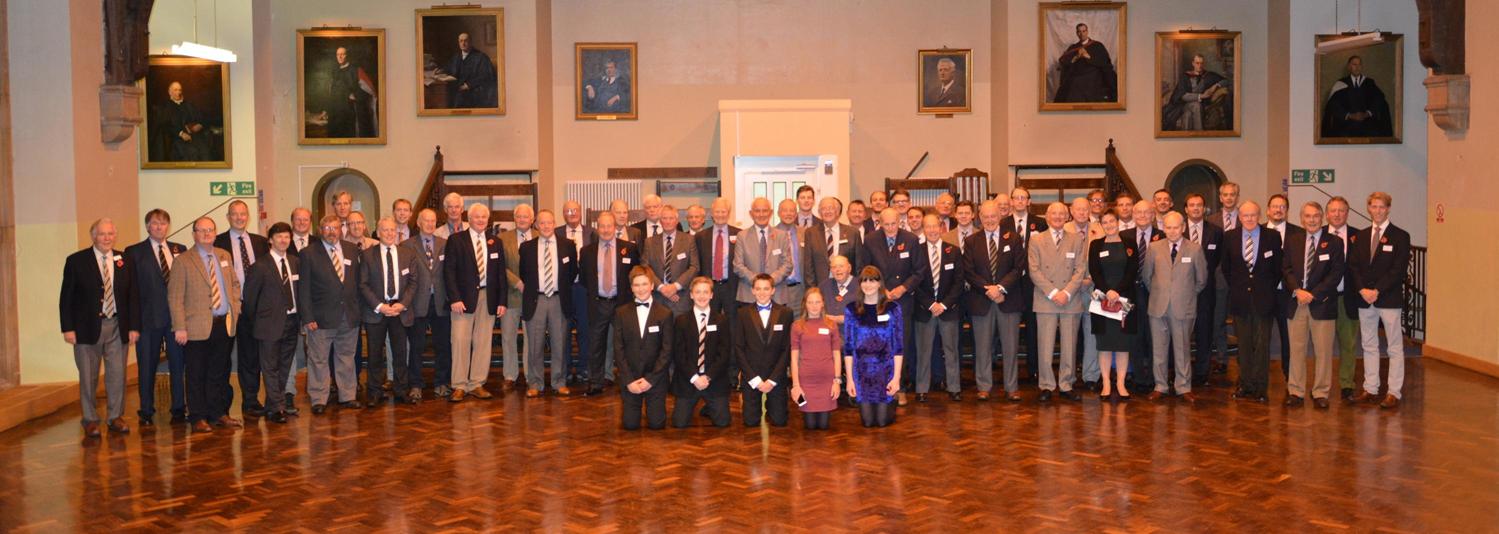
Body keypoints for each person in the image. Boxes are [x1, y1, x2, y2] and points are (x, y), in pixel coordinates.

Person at [60, 218, 137, 437]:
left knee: (117, 374)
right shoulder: (76, 261)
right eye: (102, 234)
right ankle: (90, 419)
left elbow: (133, 296)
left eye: (110, 234)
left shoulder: (125, 260)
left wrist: (133, 327)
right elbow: (66, 299)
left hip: (117, 326)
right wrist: (68, 328)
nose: (107, 238)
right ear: (93, 236)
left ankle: (115, 417)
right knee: (88, 376)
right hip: (86, 329)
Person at [168, 217, 241, 433]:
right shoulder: (183, 261)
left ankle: (218, 413)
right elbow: (174, 297)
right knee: (196, 373)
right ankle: (198, 416)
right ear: (194, 234)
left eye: (210, 230)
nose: (207, 234)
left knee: (219, 372)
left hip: (223, 324)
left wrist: (235, 307)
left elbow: (235, 284)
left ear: (216, 233)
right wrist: (179, 326)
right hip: (195, 328)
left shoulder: (223, 255)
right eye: (202, 230)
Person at [1347, 192, 1410, 409]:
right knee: (1369, 345)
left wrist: (1377, 290)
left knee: (1394, 347)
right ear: (1368, 208)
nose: (1378, 211)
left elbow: (1398, 270)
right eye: (1374, 207)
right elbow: (1354, 266)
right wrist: (1363, 289)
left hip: (1388, 299)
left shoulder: (1401, 236)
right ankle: (1370, 388)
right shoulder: (1361, 236)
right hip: (1365, 298)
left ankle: (1394, 392)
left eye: (1382, 207)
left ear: (1388, 208)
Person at [125, 209, 187, 426]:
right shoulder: (134, 252)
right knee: (147, 366)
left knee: (178, 364)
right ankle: (146, 409)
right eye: (154, 223)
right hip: (147, 320)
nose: (159, 227)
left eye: (163, 223)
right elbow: (130, 291)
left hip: (175, 320)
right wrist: (133, 324)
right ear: (147, 226)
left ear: (168, 226)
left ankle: (179, 408)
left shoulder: (180, 249)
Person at [1281, 202, 1345, 409]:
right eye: (1307, 216)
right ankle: (1296, 391)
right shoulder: (1293, 240)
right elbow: (1286, 269)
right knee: (1296, 350)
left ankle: (1321, 392)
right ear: (1301, 218)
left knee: (1324, 351)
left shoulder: (1334, 242)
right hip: (1297, 302)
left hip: (1322, 304)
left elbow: (1335, 274)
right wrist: (1297, 291)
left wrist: (1313, 294)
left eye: (1316, 216)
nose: (1312, 220)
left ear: (1322, 218)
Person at [860, 207, 926, 405]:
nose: (890, 228)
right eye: (886, 224)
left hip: (902, 302)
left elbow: (920, 270)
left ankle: (900, 387)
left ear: (900, 221)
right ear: (880, 223)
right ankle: (880, 386)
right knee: (879, 344)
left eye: (893, 224)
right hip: (878, 300)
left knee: (900, 344)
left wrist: (903, 288)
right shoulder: (871, 240)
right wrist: (881, 289)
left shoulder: (911, 240)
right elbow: (864, 269)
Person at [1140, 212, 1208, 402]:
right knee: (1159, 350)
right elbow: (1147, 276)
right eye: (1168, 227)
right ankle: (1160, 385)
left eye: (1176, 227)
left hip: (1183, 308)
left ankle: (1183, 387)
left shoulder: (1195, 249)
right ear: (1163, 227)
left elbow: (1201, 280)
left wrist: (1184, 294)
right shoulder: (1153, 248)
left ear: (1183, 227)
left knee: (1182, 349)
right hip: (1158, 307)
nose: (1172, 231)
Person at [963, 200, 1027, 401]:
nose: (990, 220)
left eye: (993, 216)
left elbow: (1018, 268)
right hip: (982, 301)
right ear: (979, 218)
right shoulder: (972, 241)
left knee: (1010, 347)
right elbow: (969, 271)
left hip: (1008, 300)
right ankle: (984, 386)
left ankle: (1011, 387)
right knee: (982, 347)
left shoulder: (1014, 239)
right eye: (985, 216)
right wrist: (988, 289)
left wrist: (1000, 288)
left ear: (1000, 216)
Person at [443, 203, 508, 402]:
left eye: (484, 217)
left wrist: (502, 301)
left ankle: (477, 383)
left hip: (488, 298)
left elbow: (500, 275)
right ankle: (459, 385)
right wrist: (454, 298)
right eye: (476, 217)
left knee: (483, 342)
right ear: (468, 219)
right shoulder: (456, 240)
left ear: (488, 220)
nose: (480, 220)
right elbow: (449, 272)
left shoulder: (495, 242)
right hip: (462, 300)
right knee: (460, 341)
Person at [299, 215, 362, 413]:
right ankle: (319, 398)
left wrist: (358, 312)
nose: (331, 231)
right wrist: (308, 317)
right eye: (327, 228)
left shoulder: (352, 250)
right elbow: (304, 289)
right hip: (320, 317)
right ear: (320, 230)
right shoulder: (308, 253)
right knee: (318, 359)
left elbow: (357, 284)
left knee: (346, 357)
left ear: (341, 229)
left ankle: (347, 395)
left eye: (335, 227)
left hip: (349, 316)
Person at [213, 200, 270, 417]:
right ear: (228, 217)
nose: (239, 218)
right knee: (222, 356)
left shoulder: (261, 243)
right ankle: (221, 403)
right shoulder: (217, 242)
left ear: (248, 217)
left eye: (243, 214)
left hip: (253, 307)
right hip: (226, 308)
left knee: (250, 356)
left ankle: (250, 400)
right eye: (234, 214)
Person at [240, 222, 301, 423]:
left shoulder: (294, 261)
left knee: (285, 365)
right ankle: (276, 409)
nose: (283, 240)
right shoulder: (260, 266)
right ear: (270, 240)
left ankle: (276, 403)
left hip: (292, 321)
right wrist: (259, 321)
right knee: (270, 366)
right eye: (279, 237)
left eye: (286, 237)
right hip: (269, 325)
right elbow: (249, 299)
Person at [1223, 201, 1281, 403]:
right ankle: (1245, 384)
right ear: (1239, 217)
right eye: (1245, 215)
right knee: (1244, 344)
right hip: (1240, 300)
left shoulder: (1272, 237)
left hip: (1264, 300)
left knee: (1262, 344)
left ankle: (1260, 387)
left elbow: (1277, 269)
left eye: (1253, 215)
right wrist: (1240, 286)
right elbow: (1226, 268)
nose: (1249, 219)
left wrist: (1264, 288)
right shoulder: (1229, 237)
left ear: (1260, 215)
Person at [1029, 203, 1088, 402]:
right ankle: (1046, 385)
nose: (1057, 217)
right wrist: (1054, 292)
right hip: (1046, 299)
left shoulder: (1076, 240)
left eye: (1061, 213)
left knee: (1069, 345)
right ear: (1046, 216)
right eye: (1053, 213)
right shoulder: (1036, 240)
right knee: (1044, 345)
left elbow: (1080, 270)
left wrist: (1067, 293)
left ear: (1067, 217)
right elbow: (1034, 270)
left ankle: (1066, 384)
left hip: (1070, 300)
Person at [519, 209, 578, 397]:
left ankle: (559, 382)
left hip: (559, 300)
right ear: (536, 225)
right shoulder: (527, 247)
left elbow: (572, 272)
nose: (546, 226)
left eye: (549, 222)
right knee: (535, 344)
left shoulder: (568, 245)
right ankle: (535, 383)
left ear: (554, 223)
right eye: (542, 223)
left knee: (559, 343)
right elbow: (524, 273)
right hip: (536, 299)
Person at [359, 217, 417, 407]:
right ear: (378, 232)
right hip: (376, 311)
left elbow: (413, 283)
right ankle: (374, 392)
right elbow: (363, 284)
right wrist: (380, 306)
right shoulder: (367, 255)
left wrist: (402, 304)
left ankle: (401, 390)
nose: (390, 234)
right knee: (375, 355)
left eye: (393, 230)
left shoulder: (407, 254)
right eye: (385, 230)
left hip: (400, 311)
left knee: (400, 353)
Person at [579, 212, 638, 396]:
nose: (605, 230)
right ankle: (596, 382)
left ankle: (628, 382)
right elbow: (583, 279)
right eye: (602, 226)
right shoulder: (587, 251)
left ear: (615, 227)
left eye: (609, 226)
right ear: (597, 228)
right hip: (598, 304)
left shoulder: (628, 248)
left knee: (625, 345)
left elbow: (635, 275)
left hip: (621, 304)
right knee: (596, 344)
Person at [613, 266, 673, 430]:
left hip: (655, 379)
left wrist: (650, 379)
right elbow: (618, 349)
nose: (641, 289)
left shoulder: (665, 313)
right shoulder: (621, 313)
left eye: (644, 284)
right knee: (630, 425)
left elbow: (666, 351)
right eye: (637, 285)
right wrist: (629, 380)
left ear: (652, 285)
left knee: (657, 424)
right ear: (631, 288)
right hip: (631, 378)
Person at [1088, 211, 1139, 401]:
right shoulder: (1095, 245)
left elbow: (1132, 270)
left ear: (1118, 223)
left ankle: (1121, 383)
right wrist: (1107, 291)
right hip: (1102, 299)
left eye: (1112, 221)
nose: (1109, 225)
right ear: (1101, 225)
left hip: (1124, 299)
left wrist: (1117, 291)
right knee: (1105, 344)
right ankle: (1107, 383)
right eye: (1105, 222)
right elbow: (1095, 271)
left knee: (1122, 344)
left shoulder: (1129, 243)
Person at [843, 266, 903, 427]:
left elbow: (898, 346)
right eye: (864, 281)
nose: (868, 285)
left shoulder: (893, 309)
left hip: (886, 369)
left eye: (872, 281)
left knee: (882, 422)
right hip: (861, 371)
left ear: (879, 284)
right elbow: (848, 348)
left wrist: (896, 378)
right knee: (868, 422)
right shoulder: (851, 309)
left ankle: (893, 401)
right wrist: (850, 380)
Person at [913, 214, 964, 402]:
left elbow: (958, 283)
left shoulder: (954, 251)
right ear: (923, 229)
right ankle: (921, 389)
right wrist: (930, 304)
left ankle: (954, 387)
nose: (932, 230)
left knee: (951, 350)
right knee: (923, 350)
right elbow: (914, 282)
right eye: (928, 227)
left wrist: (943, 304)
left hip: (948, 310)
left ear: (942, 228)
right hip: (924, 309)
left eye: (936, 226)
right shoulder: (916, 251)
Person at [402, 209, 451, 400]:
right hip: (417, 303)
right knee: (416, 346)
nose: (430, 224)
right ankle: (415, 384)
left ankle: (441, 382)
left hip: (440, 302)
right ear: (419, 223)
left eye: (433, 221)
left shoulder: (445, 244)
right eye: (426, 221)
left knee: (443, 345)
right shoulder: (407, 245)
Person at [671, 277, 732, 428]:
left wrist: (708, 376)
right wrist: (694, 377)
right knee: (679, 423)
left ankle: (709, 408)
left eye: (706, 292)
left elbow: (724, 353)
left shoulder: (721, 320)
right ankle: (704, 405)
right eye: (698, 292)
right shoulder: (681, 320)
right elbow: (679, 354)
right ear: (691, 295)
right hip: (688, 379)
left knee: (723, 422)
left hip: (713, 379)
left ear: (712, 295)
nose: (702, 296)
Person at [735, 274, 794, 427]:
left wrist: (773, 379)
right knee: (750, 421)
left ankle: (774, 406)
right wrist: (754, 379)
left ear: (773, 290)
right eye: (758, 289)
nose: (762, 292)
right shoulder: (742, 314)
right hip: (752, 375)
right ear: (752, 291)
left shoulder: (786, 313)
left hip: (776, 375)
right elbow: (739, 349)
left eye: (766, 288)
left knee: (779, 420)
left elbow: (786, 349)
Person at [1182, 194, 1224, 387]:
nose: (1196, 208)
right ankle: (1181, 372)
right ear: (1186, 209)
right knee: (1181, 332)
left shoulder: (1215, 232)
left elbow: (1217, 260)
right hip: (1182, 289)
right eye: (1192, 205)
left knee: (1204, 332)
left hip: (1207, 289)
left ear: (1204, 208)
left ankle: (1201, 372)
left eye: (1199, 205)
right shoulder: (1177, 230)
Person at [1120, 201, 1162, 392]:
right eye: (1138, 212)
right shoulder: (1124, 236)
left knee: (1155, 336)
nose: (1142, 215)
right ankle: (1137, 376)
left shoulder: (1161, 236)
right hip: (1131, 293)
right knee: (1134, 335)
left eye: (1146, 212)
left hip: (1155, 292)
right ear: (1133, 214)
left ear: (1153, 215)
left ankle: (1155, 377)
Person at [1324, 196, 1362, 400]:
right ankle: (1323, 385)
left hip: (1348, 298)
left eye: (1341, 211)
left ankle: (1347, 383)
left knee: (1348, 343)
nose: (1337, 214)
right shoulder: (1318, 234)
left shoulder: (1359, 237)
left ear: (1347, 213)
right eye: (1333, 210)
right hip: (1325, 299)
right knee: (1323, 345)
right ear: (1327, 213)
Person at [1064, 198, 1103, 390]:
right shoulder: (1063, 229)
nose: (1082, 212)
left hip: (1093, 290)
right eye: (1078, 209)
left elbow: (1106, 258)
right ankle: (1068, 377)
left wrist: (1092, 279)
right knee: (1069, 336)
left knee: (1092, 334)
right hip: (1071, 291)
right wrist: (1076, 282)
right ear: (1071, 210)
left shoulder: (1099, 229)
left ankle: (1091, 376)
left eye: (1085, 209)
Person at [790, 288, 842, 429]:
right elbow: (794, 358)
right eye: (810, 302)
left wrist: (837, 381)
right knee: (810, 426)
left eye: (817, 302)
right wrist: (796, 385)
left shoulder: (831, 325)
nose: (814, 305)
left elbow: (837, 355)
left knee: (824, 425)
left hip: (827, 381)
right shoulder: (797, 326)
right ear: (805, 304)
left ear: (823, 303)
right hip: (805, 382)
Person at [497, 204, 534, 391]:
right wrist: (517, 282)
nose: (522, 219)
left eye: (525, 216)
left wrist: (531, 285)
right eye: (518, 216)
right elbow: (498, 266)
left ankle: (530, 375)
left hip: (533, 297)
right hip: (510, 296)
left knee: (531, 337)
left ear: (532, 219)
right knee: (508, 337)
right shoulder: (503, 238)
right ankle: (510, 375)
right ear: (514, 218)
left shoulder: (539, 236)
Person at [1266, 193, 1303, 378]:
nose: (1278, 210)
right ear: (1268, 210)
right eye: (1274, 206)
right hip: (1264, 293)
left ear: (1287, 211)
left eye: (1282, 207)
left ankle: (1290, 375)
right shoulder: (1258, 231)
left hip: (1288, 293)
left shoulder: (1298, 233)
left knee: (1289, 337)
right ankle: (1259, 375)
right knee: (1261, 337)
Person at [731, 197, 793, 306]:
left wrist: (770, 281)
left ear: (771, 213)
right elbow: (738, 265)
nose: (761, 214)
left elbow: (787, 264)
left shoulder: (781, 236)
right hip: (749, 295)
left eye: (765, 210)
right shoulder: (742, 236)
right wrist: (758, 283)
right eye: (757, 211)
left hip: (777, 294)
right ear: (751, 213)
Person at [1210, 181, 1242, 378]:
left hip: (1240, 279)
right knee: (1218, 320)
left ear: (1237, 197)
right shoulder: (1211, 220)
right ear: (1220, 197)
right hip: (1219, 277)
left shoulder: (1247, 217)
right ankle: (1221, 358)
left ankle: (1243, 359)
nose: (1229, 198)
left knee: (1241, 322)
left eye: (1233, 194)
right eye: (1226, 195)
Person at [1321, 55, 1394, 138]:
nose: (1357, 67)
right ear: (1349, 67)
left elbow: (1379, 100)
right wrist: (1349, 115)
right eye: (1354, 64)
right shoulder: (1341, 84)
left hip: (1367, 124)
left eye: (1359, 65)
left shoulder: (1369, 83)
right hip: (1346, 125)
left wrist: (1367, 113)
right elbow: (1333, 105)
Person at [645, 205, 697, 315]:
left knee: (680, 331)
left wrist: (675, 286)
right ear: (660, 221)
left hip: (681, 298)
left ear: (677, 220)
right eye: (664, 218)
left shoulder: (689, 240)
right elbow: (645, 268)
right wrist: (661, 288)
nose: (668, 221)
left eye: (671, 218)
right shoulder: (649, 242)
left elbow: (694, 267)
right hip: (658, 298)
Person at [1162, 54, 1232, 132]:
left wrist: (1216, 85)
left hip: (1199, 106)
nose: (1200, 65)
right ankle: (1200, 133)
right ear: (1193, 63)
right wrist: (1201, 96)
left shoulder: (1209, 75)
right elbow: (1182, 96)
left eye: (1201, 63)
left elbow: (1226, 81)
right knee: (1196, 105)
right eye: (1197, 63)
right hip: (1183, 105)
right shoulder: (1185, 76)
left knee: (1188, 114)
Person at [319, 46, 378, 138]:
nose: (340, 57)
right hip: (336, 113)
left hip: (350, 113)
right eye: (338, 55)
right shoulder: (335, 72)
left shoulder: (356, 70)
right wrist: (326, 109)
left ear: (347, 55)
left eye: (342, 54)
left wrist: (355, 95)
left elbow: (370, 91)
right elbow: (332, 92)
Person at [1054, 22, 1118, 103]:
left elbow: (1104, 61)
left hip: (1093, 74)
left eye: (1084, 31)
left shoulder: (1097, 45)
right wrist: (1076, 57)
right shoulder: (1073, 47)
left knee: (1078, 82)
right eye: (1079, 31)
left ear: (1087, 32)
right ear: (1077, 33)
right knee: (1071, 83)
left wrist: (1087, 56)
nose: (1082, 34)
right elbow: (1064, 61)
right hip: (1077, 73)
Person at [152, 81, 214, 162]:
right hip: (176, 139)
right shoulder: (165, 107)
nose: (178, 92)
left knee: (206, 152)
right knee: (192, 152)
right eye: (175, 90)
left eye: (180, 90)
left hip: (195, 137)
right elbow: (165, 126)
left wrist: (200, 125)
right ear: (169, 92)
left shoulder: (188, 105)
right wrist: (180, 133)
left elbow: (201, 117)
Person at [806, 196, 862, 283]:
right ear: (819, 213)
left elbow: (858, 265)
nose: (827, 211)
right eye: (824, 209)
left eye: (831, 208)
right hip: (820, 286)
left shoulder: (853, 233)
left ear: (837, 211)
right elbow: (808, 266)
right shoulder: (811, 233)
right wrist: (812, 290)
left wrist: (855, 287)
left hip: (847, 286)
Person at [443, 32, 498, 108]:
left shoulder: (481, 57)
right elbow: (448, 69)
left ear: (471, 42)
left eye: (466, 41)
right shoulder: (456, 57)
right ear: (458, 43)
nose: (463, 43)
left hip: (475, 91)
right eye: (461, 41)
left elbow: (487, 75)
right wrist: (440, 72)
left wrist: (468, 85)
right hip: (458, 89)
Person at [774, 199, 809, 315]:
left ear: (796, 213)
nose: (789, 214)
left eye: (792, 211)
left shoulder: (805, 233)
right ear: (778, 213)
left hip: (800, 289)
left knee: (799, 326)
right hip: (779, 288)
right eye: (785, 210)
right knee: (779, 324)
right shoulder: (771, 234)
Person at [819, 255, 858, 324]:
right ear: (831, 270)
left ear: (849, 268)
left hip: (851, 331)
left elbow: (867, 315)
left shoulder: (861, 286)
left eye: (841, 266)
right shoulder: (823, 286)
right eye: (834, 267)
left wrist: (845, 319)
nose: (838, 270)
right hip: (827, 330)